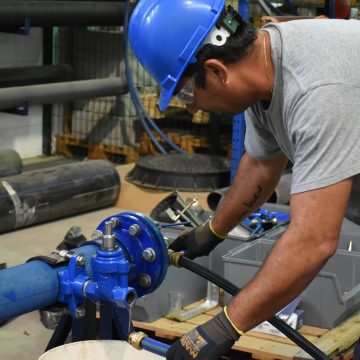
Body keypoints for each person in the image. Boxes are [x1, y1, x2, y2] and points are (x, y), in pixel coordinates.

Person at [129, 1, 360, 359]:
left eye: (188, 92)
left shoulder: (317, 91)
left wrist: (223, 327)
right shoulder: (267, 62)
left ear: (218, 71)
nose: (191, 107)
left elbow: (313, 241)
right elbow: (262, 163)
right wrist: (211, 232)